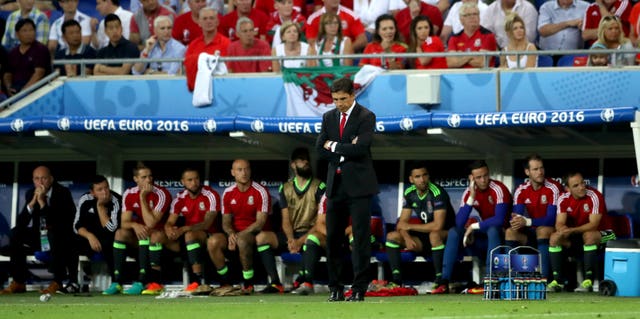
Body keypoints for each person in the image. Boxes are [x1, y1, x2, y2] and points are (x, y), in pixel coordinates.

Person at [315, 77, 379, 302]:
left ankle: (360, 288)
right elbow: (319, 147)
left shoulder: (366, 116)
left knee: (360, 238)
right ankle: (336, 287)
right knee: (333, 239)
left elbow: (361, 148)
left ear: (352, 95)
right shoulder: (328, 117)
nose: (339, 103)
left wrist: (333, 145)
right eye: (335, 99)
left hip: (359, 188)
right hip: (336, 187)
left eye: (343, 99)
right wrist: (344, 149)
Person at [207, 159, 284, 294]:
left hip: (256, 234)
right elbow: (226, 222)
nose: (244, 173)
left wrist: (240, 235)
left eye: (246, 169)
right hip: (235, 234)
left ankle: (248, 283)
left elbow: (260, 223)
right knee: (213, 242)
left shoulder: (260, 191)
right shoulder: (228, 192)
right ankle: (225, 281)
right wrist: (231, 233)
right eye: (240, 170)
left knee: (242, 240)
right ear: (233, 173)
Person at [0, 166, 77, 295]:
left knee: (54, 232)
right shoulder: (31, 193)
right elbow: (21, 223)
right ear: (33, 180)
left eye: (44, 178)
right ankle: (19, 281)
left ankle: (57, 281)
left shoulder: (62, 193)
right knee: (16, 232)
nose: (40, 182)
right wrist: (32, 203)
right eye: (37, 179)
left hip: (60, 237)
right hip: (39, 237)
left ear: (51, 179)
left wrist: (42, 203)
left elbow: (56, 222)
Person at [439, 160, 511, 293]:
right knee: (454, 232)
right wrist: (472, 196)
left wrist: (473, 226)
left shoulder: (498, 188)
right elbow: (459, 223)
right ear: (471, 178)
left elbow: (499, 220)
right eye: (478, 177)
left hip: (502, 237)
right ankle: (444, 281)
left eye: (485, 175)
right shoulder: (469, 192)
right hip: (484, 239)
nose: (483, 180)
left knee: (493, 230)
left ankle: (491, 279)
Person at [102, 162, 172, 295]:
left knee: (149, 232)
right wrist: (134, 225)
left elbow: (151, 223)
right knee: (120, 233)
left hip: (160, 239)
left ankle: (142, 281)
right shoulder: (129, 193)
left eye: (150, 176)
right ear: (136, 179)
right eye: (144, 177)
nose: (149, 180)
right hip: (141, 237)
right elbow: (124, 222)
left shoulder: (162, 193)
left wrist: (142, 198)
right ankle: (117, 282)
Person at [385, 162, 455, 292]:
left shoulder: (437, 192)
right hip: (425, 236)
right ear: (411, 179)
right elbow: (401, 224)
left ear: (428, 176)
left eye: (424, 175)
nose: (422, 180)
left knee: (434, 234)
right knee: (392, 236)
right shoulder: (410, 192)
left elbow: (438, 225)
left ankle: (440, 281)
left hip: (447, 235)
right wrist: (406, 237)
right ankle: (396, 280)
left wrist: (410, 227)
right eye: (417, 176)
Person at [547, 172, 614, 293]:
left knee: (589, 235)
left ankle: (588, 281)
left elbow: (593, 225)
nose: (582, 187)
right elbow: (559, 222)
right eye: (576, 185)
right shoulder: (563, 198)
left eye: (582, 183)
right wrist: (562, 230)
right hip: (579, 235)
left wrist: (571, 230)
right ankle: (558, 281)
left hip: (607, 234)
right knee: (554, 238)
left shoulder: (594, 195)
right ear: (568, 188)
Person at [278, 147, 326, 294]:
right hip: (293, 234)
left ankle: (305, 281)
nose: (305, 162)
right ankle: (274, 283)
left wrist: (300, 241)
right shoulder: (285, 187)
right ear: (293, 164)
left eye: (307, 160)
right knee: (262, 240)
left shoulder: (319, 186)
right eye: (301, 160)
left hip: (314, 232)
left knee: (310, 242)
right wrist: (291, 239)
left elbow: (320, 222)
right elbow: (285, 219)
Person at [507, 154, 563, 279]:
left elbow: (551, 219)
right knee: (510, 232)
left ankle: (543, 278)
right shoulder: (521, 189)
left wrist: (526, 221)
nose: (540, 172)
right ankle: (511, 277)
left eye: (541, 168)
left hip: (551, 234)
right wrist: (515, 221)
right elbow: (517, 215)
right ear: (527, 172)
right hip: (532, 233)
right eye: (535, 169)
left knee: (542, 230)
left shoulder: (553, 188)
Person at [165, 168, 220, 293]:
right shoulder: (180, 197)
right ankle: (153, 282)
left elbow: (207, 224)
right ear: (183, 182)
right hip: (189, 239)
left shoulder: (210, 194)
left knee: (189, 235)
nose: (194, 182)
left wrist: (184, 228)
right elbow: (170, 221)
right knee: (157, 237)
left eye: (196, 179)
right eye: (190, 180)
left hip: (210, 236)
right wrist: (168, 229)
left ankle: (196, 281)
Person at [73, 175, 122, 291]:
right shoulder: (85, 199)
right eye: (100, 190)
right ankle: (73, 282)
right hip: (89, 238)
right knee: (70, 241)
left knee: (112, 242)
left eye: (106, 188)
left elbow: (111, 229)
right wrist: (90, 236)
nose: (105, 192)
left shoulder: (116, 200)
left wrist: (100, 206)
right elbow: (76, 225)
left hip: (107, 239)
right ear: (92, 192)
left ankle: (116, 283)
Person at [183, 7, 230, 91]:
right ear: (199, 23)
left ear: (217, 22)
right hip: (197, 90)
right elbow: (186, 67)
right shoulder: (193, 45)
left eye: (212, 18)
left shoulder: (227, 43)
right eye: (205, 19)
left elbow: (229, 69)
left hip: (221, 88)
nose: (208, 21)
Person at [2, 18, 50, 97]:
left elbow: (39, 73)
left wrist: (24, 92)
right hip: (15, 88)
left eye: (31, 30)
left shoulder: (41, 49)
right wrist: (9, 88)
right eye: (24, 31)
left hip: (35, 90)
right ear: (17, 34)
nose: (28, 34)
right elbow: (7, 74)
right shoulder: (13, 52)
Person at [537, 0, 589, 65]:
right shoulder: (546, 7)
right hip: (546, 53)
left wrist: (583, 27)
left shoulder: (586, 7)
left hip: (572, 55)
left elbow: (589, 32)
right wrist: (567, 23)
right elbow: (542, 31)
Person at [446, 2, 497, 68]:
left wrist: (462, 56)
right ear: (461, 20)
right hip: (460, 75)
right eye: (468, 15)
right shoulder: (454, 38)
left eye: (475, 14)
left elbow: (481, 62)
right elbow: (451, 63)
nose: (472, 17)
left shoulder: (487, 35)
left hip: (483, 75)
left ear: (479, 17)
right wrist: (472, 55)